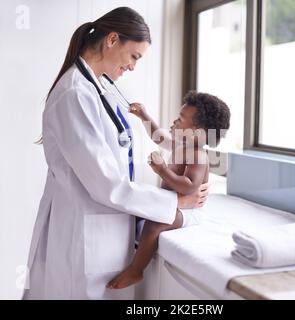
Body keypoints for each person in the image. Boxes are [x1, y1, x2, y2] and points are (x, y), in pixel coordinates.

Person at [23, 7, 208, 300]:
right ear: (112, 40)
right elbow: (106, 183)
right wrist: (177, 199)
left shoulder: (100, 88)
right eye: (134, 56)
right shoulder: (75, 94)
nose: (133, 67)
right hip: (81, 236)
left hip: (102, 229)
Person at [107, 91, 230, 289]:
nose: (174, 121)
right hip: (174, 204)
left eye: (180, 119)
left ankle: (136, 270)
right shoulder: (182, 144)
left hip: (189, 212)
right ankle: (132, 250)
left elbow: (189, 185)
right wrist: (144, 116)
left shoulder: (198, 155)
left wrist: (162, 170)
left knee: (156, 222)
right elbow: (158, 137)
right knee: (136, 211)